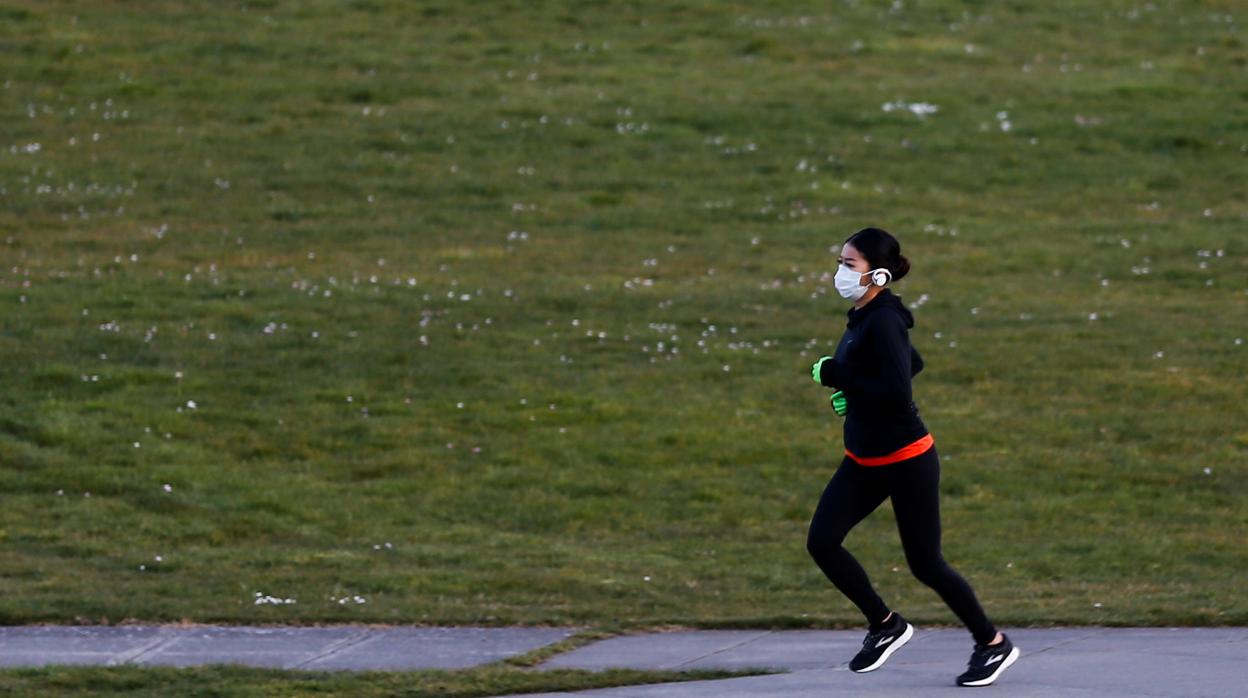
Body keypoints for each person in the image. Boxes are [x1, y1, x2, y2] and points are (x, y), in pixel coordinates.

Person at [806, 227, 1020, 687]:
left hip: (906, 459)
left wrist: (838, 375)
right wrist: (855, 393)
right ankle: (885, 626)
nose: (840, 272)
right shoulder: (865, 316)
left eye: (849, 265)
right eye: (840, 263)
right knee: (822, 542)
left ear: (877, 274)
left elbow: (899, 391)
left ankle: (993, 643)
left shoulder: (882, 319)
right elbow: (911, 363)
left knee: (926, 563)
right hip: (864, 460)